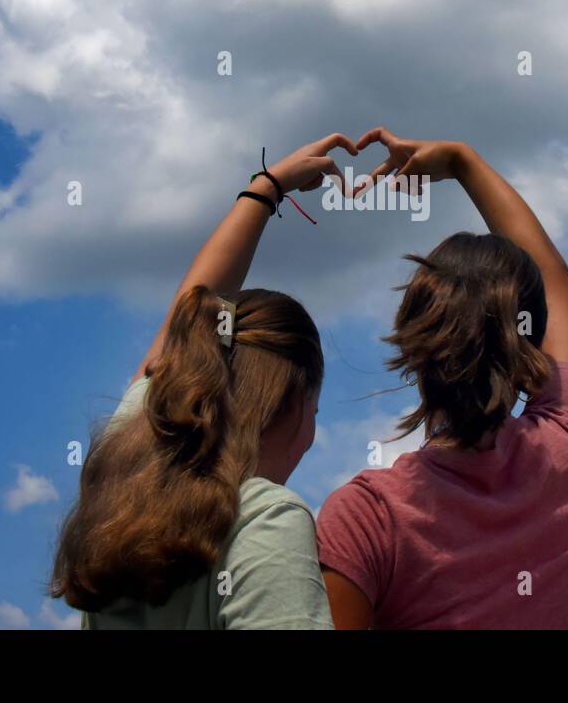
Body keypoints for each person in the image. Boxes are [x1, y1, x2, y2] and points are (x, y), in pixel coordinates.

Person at [316, 128, 568, 629]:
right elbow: (555, 279)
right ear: (530, 336)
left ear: (411, 339)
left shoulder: (367, 518)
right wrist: (464, 163)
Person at [50, 134, 359, 629]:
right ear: (290, 403)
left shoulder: (120, 489)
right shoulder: (264, 518)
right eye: (316, 412)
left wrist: (268, 186)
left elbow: (187, 327)